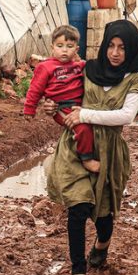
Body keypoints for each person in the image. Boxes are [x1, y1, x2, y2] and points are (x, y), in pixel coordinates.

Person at [43, 19, 138, 275]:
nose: (115, 53)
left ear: (132, 50)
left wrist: (85, 114)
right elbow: (67, 95)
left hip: (108, 152)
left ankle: (102, 243)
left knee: (103, 214)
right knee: (78, 208)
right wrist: (53, 107)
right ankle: (78, 268)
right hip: (76, 145)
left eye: (122, 48)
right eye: (111, 46)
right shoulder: (89, 69)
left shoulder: (136, 78)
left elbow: (125, 115)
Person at [22, 25, 98, 172]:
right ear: (52, 47)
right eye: (60, 46)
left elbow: (93, 69)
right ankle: (86, 159)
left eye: (69, 46)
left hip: (78, 105)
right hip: (61, 107)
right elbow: (35, 89)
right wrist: (29, 109)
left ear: (76, 49)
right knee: (82, 128)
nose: (64, 50)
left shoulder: (78, 66)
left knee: (94, 127)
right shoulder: (45, 67)